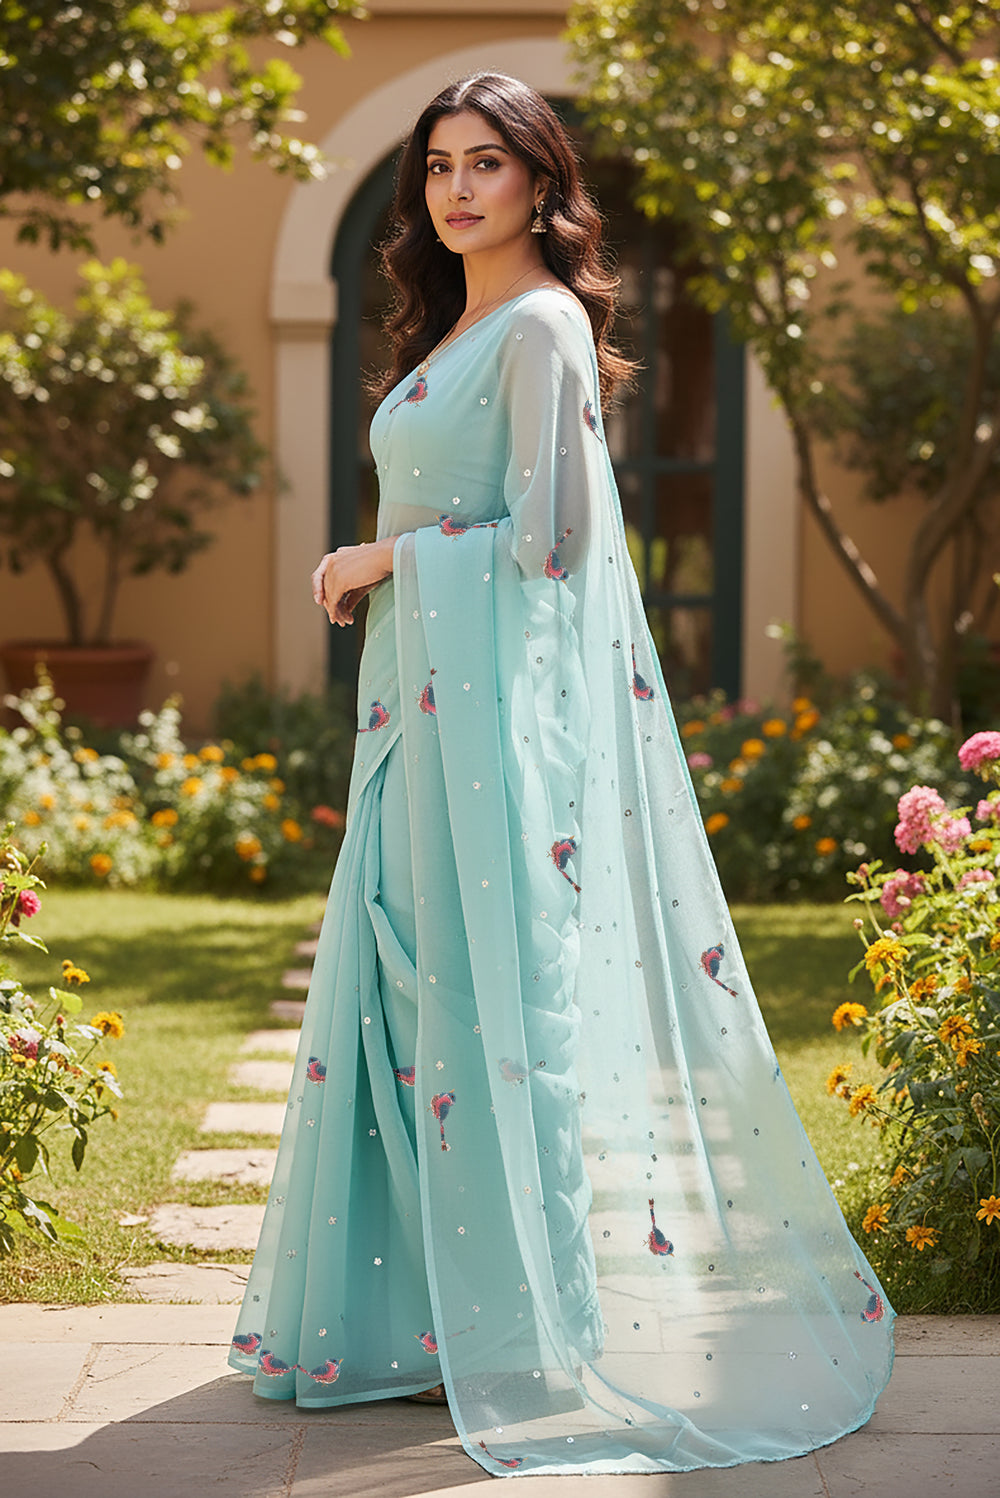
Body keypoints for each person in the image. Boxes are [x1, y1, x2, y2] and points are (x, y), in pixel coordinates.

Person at [228, 72, 894, 1477]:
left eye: (489, 164)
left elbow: (551, 546)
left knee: (474, 1007)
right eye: (438, 168)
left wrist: (378, 557)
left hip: (488, 735)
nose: (458, 188)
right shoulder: (465, 323)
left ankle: (510, 1323)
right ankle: (402, 1325)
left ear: (542, 181)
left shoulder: (537, 327)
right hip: (418, 720)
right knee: (405, 999)